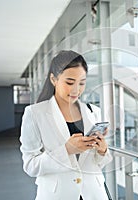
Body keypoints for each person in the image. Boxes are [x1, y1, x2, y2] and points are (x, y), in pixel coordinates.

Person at [20, 50, 113, 200]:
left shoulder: (93, 112)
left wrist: (102, 150)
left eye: (81, 83)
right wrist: (67, 150)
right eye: (69, 82)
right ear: (53, 79)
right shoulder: (35, 114)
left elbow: (98, 163)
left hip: (94, 194)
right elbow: (30, 165)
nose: (76, 90)